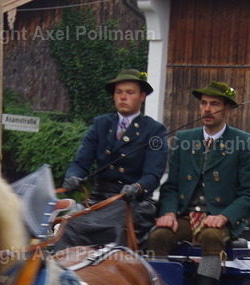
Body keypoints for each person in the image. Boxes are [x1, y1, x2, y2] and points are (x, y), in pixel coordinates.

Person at [151, 80, 250, 285]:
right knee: (157, 237)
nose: (207, 109)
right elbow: (171, 187)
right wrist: (167, 211)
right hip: (187, 216)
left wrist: (225, 216)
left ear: (226, 110)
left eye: (214, 104)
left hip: (219, 219)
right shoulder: (186, 140)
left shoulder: (244, 142)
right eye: (204, 103)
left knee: (212, 237)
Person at [59, 69, 168, 249]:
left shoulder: (155, 130)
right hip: (99, 198)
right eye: (119, 92)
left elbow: (153, 175)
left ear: (142, 97)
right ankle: (64, 274)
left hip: (134, 201)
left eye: (129, 92)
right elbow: (80, 163)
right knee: (68, 225)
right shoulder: (100, 124)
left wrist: (137, 187)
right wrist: (73, 177)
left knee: (114, 230)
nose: (123, 97)